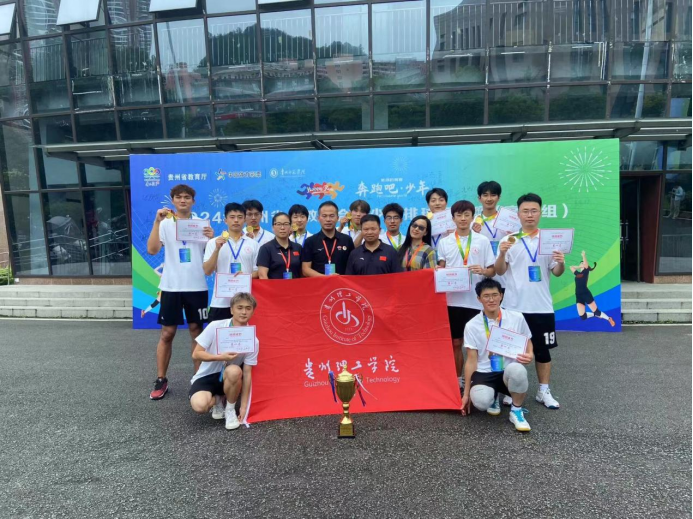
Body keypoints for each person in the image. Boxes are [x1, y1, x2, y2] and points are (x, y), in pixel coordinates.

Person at [495, 193, 566, 410]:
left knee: (542, 351)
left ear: (540, 213)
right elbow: (499, 271)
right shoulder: (508, 240)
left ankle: (543, 391)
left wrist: (561, 262)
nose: (529, 215)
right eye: (525, 211)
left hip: (541, 307)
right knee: (511, 351)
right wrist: (501, 254)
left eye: (534, 211)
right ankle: (510, 389)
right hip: (513, 307)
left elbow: (557, 272)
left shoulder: (550, 240)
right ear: (518, 214)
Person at [146, 184, 214, 400]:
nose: (183, 200)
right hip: (171, 286)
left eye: (187, 197)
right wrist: (156, 222)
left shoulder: (202, 224)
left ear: (193, 201)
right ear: (173, 200)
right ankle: (161, 379)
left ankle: (198, 379)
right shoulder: (165, 223)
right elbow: (152, 250)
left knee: (196, 331)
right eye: (178, 197)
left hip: (197, 286)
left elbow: (210, 255)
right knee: (167, 333)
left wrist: (211, 239)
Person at [437, 200, 496, 394]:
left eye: (466, 215)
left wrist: (483, 270)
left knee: (478, 344)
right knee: (456, 343)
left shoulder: (482, 240)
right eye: (459, 215)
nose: (463, 219)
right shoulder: (444, 242)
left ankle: (479, 380)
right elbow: (441, 267)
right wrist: (439, 271)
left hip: (476, 301)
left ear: (472, 217)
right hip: (452, 300)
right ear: (453, 218)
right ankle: (458, 380)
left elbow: (493, 270)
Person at [461, 278, 534, 432]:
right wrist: (466, 394)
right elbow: (471, 361)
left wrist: (530, 353)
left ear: (501, 295)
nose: (491, 299)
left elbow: (527, 340)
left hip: (508, 370)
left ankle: (516, 411)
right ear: (479, 299)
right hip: (484, 372)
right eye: (486, 296)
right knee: (481, 402)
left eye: (495, 295)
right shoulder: (472, 325)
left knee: (518, 371)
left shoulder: (517, 317)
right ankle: (492, 395)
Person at [189, 293, 259, 431]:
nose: (244, 312)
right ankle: (218, 399)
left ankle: (230, 409)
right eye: (239, 307)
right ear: (232, 310)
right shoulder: (215, 326)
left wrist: (244, 406)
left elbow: (247, 373)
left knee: (234, 370)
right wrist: (221, 357)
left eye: (248, 308)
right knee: (200, 406)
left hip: (229, 376)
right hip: (207, 375)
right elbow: (196, 354)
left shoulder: (253, 340)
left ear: (253, 311)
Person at [204, 202, 259, 322]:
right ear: (225, 220)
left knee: (244, 333)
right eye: (232, 217)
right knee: (218, 333)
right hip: (220, 302)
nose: (236, 220)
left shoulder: (253, 244)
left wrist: (245, 276)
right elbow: (207, 271)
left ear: (245, 220)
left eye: (240, 217)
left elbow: (258, 272)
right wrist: (217, 249)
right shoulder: (213, 243)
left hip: (245, 303)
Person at [302, 201, 355, 276]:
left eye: (332, 216)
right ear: (318, 218)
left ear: (337, 218)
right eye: (324, 216)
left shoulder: (347, 240)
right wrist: (326, 278)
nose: (328, 219)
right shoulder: (310, 241)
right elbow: (305, 269)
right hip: (319, 282)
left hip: (342, 282)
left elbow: (352, 266)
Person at [570, 250, 615, 326]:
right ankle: (594, 315)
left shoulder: (586, 271)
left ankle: (608, 318)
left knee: (597, 311)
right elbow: (571, 267)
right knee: (583, 316)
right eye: (581, 263)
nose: (582, 263)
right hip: (578, 295)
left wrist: (583, 256)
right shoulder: (578, 274)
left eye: (583, 263)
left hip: (586, 294)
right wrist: (579, 266)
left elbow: (586, 265)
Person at [257, 212, 303, 279]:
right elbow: (262, 275)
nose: (282, 228)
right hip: (274, 286)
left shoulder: (298, 247)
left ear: (291, 227)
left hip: (295, 285)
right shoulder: (266, 248)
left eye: (286, 224)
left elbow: (302, 272)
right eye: (278, 224)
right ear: (273, 227)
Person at [472, 181, 511, 257]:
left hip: (503, 260)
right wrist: (473, 234)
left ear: (499, 198)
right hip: (482, 261)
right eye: (485, 195)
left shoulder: (507, 221)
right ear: (479, 198)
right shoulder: (473, 222)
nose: (489, 199)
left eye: (493, 195)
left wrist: (512, 235)